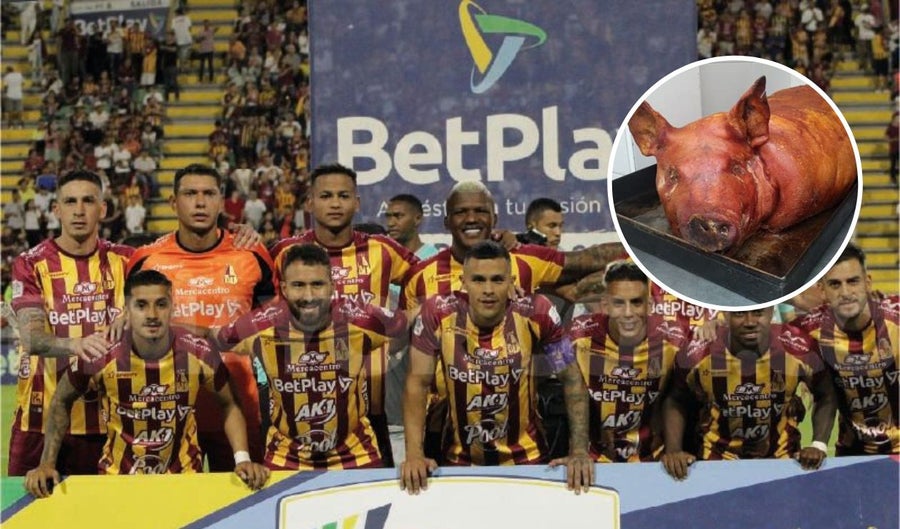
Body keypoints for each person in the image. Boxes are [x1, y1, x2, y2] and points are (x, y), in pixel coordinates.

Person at [400, 181, 622, 459]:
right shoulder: (419, 277)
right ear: (446, 220)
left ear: (494, 218)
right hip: (442, 429)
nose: (471, 218)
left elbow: (584, 265)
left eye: (480, 211)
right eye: (461, 212)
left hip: (519, 431)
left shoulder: (525, 263)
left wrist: (637, 251)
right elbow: (404, 352)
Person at [23, 271, 270, 496]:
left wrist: (242, 459)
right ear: (126, 311)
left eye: (161, 304)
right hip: (117, 482)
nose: (152, 315)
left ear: (172, 307)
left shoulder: (200, 352)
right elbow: (61, 400)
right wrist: (46, 463)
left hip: (184, 480)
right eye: (141, 305)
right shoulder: (100, 354)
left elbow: (229, 404)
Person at [401, 241, 592, 494]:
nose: (488, 290)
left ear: (511, 282)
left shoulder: (538, 311)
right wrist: (414, 454)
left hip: (529, 460)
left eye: (497, 280)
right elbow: (417, 383)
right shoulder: (436, 313)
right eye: (478, 280)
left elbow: (572, 378)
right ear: (463, 282)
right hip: (458, 462)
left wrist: (579, 451)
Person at [126, 164, 276, 471]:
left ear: (221, 201)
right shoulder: (145, 260)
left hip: (241, 408)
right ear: (173, 202)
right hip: (167, 414)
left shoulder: (252, 254)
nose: (199, 202)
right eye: (190, 194)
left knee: (243, 496)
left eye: (209, 194)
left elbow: (272, 323)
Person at [268, 163, 419, 467]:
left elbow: (428, 280)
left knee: (374, 488)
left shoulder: (382, 249)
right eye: (326, 196)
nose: (335, 203)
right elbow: (261, 310)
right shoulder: (285, 252)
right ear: (310, 203)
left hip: (372, 399)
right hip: (298, 398)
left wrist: (402, 327)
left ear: (357, 203)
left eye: (343, 196)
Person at [205, 244, 407, 469]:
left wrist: (387, 352)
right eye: (298, 285)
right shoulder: (258, 325)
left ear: (332, 287)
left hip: (357, 455)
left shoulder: (362, 319)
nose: (309, 296)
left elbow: (405, 326)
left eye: (317, 284)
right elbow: (214, 337)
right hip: (285, 457)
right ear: (284, 288)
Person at [8, 170, 134, 476]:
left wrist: (133, 315)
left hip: (109, 423)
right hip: (38, 422)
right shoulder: (30, 263)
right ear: (56, 210)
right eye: (70, 201)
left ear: (102, 209)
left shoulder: (128, 260)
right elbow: (32, 339)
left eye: (88, 201)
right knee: (24, 508)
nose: (79, 210)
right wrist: (75, 344)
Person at [661, 306, 837, 480]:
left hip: (783, 459)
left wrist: (818, 444)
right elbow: (676, 399)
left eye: (758, 313)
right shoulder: (697, 353)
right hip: (716, 460)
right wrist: (674, 449)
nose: (750, 322)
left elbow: (825, 393)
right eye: (739, 313)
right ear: (726, 315)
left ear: (771, 312)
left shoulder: (799, 346)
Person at [568, 261, 690, 463]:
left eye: (636, 303)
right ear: (605, 305)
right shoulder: (576, 336)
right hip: (593, 461)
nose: (628, 313)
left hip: (653, 461)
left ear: (649, 305)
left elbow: (679, 397)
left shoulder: (674, 340)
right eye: (618, 303)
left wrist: (674, 449)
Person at [793, 243, 899, 455]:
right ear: (822, 290)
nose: (845, 292)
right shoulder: (810, 330)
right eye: (835, 284)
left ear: (867, 283)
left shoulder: (895, 319)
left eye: (853, 281)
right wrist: (786, 399)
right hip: (852, 454)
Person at [382, 193, 440, 461]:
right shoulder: (386, 260)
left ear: (418, 219)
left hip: (422, 354)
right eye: (388, 216)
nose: (391, 222)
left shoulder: (434, 260)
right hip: (389, 356)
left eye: (398, 216)